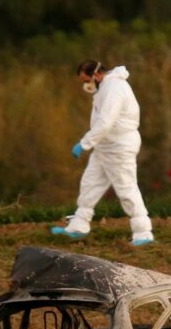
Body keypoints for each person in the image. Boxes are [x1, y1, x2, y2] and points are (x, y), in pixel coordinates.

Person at [50, 60, 154, 246]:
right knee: (90, 184)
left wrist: (85, 143)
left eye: (86, 80)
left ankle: (143, 232)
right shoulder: (106, 87)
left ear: (96, 75)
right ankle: (78, 225)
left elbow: (106, 121)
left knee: (126, 188)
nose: (86, 85)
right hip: (105, 147)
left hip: (119, 147)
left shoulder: (114, 89)